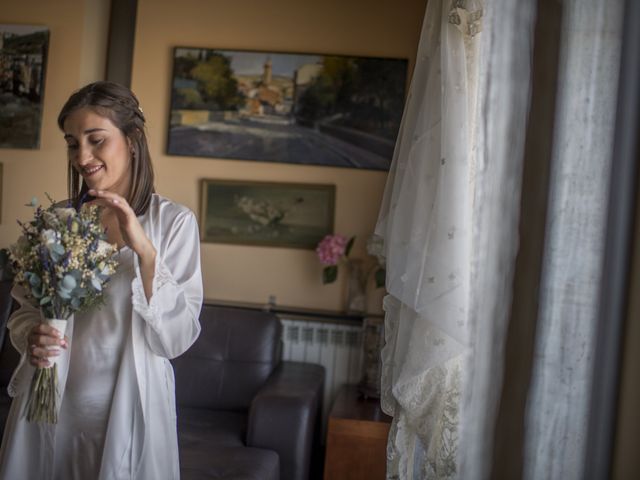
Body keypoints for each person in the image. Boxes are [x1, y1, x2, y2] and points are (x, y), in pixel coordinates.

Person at [0, 81, 203, 479]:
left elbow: (176, 338)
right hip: (51, 403)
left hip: (130, 407)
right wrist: (32, 336)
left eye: (96, 140)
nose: (83, 156)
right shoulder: (56, 221)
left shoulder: (174, 224)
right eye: (73, 143)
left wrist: (144, 249)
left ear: (132, 139)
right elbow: (23, 313)